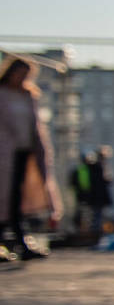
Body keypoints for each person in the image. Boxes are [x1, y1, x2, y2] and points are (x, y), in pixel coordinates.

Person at [0, 57, 60, 262]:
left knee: (16, 200)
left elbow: (35, 126)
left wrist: (39, 150)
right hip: (3, 155)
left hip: (23, 153)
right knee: (5, 199)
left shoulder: (28, 96)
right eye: (19, 73)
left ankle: (21, 243)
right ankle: (20, 243)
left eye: (26, 75)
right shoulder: (2, 93)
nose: (22, 78)